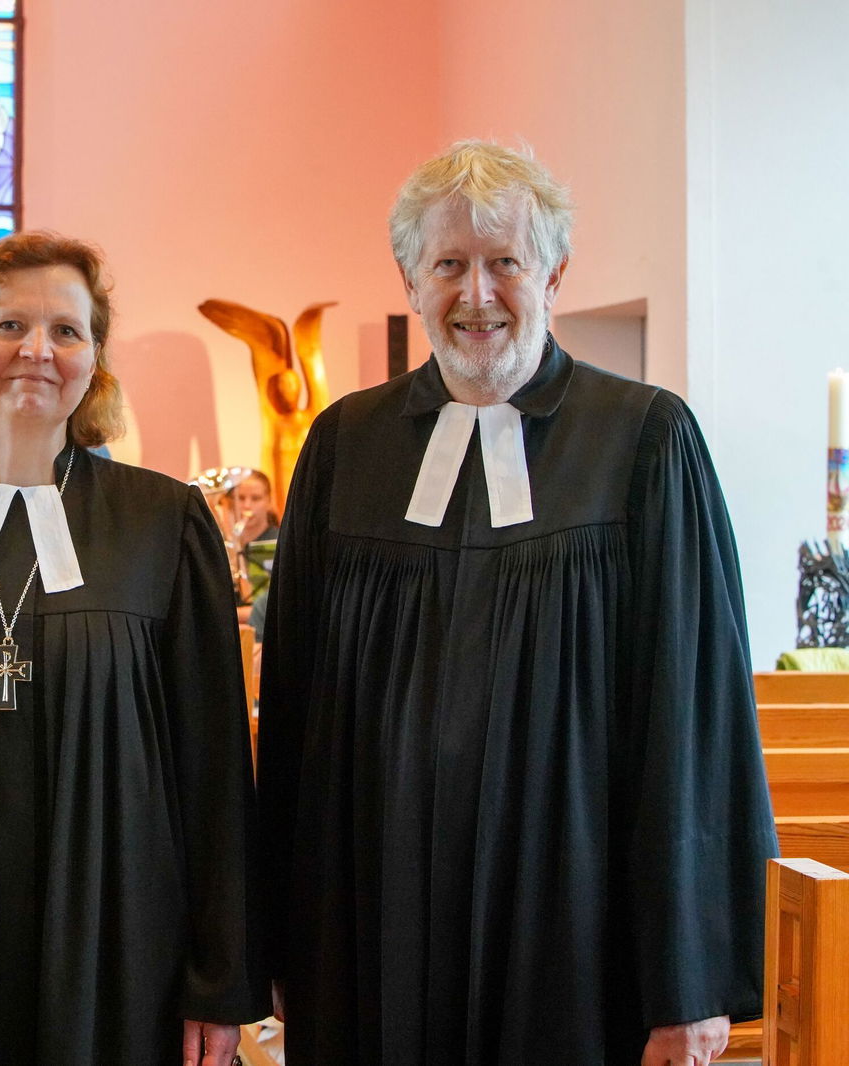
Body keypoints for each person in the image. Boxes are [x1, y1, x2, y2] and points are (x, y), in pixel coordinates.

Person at [256, 141, 776, 1066]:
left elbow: (694, 721)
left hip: (576, 927)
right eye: (449, 264)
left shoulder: (645, 442)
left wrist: (689, 977)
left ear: (556, 275)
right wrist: (280, 941)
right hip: (375, 924)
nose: (478, 294)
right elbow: (294, 711)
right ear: (411, 281)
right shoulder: (346, 446)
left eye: (506, 262)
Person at [0, 231, 264, 1066]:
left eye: (67, 331)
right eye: (9, 326)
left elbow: (213, 765)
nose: (38, 350)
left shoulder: (163, 525)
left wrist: (219, 980)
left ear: (93, 360)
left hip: (117, 931)